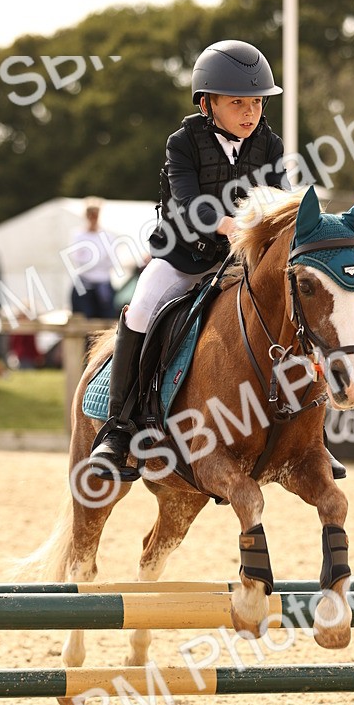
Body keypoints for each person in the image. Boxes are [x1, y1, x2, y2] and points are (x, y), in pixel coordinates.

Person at [88, 39, 290, 480]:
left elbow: (281, 199)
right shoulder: (183, 143)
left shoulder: (270, 145)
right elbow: (188, 201)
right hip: (183, 256)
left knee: (291, 308)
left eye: (256, 102)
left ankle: (306, 435)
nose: (250, 112)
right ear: (207, 103)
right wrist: (232, 226)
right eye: (237, 102)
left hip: (240, 263)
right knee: (140, 308)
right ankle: (118, 429)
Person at [68, 197, 118, 320]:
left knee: (106, 321)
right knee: (82, 319)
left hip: (102, 284)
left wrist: (92, 260)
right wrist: (98, 260)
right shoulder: (78, 235)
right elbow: (77, 259)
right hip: (85, 283)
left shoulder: (107, 236)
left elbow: (111, 261)